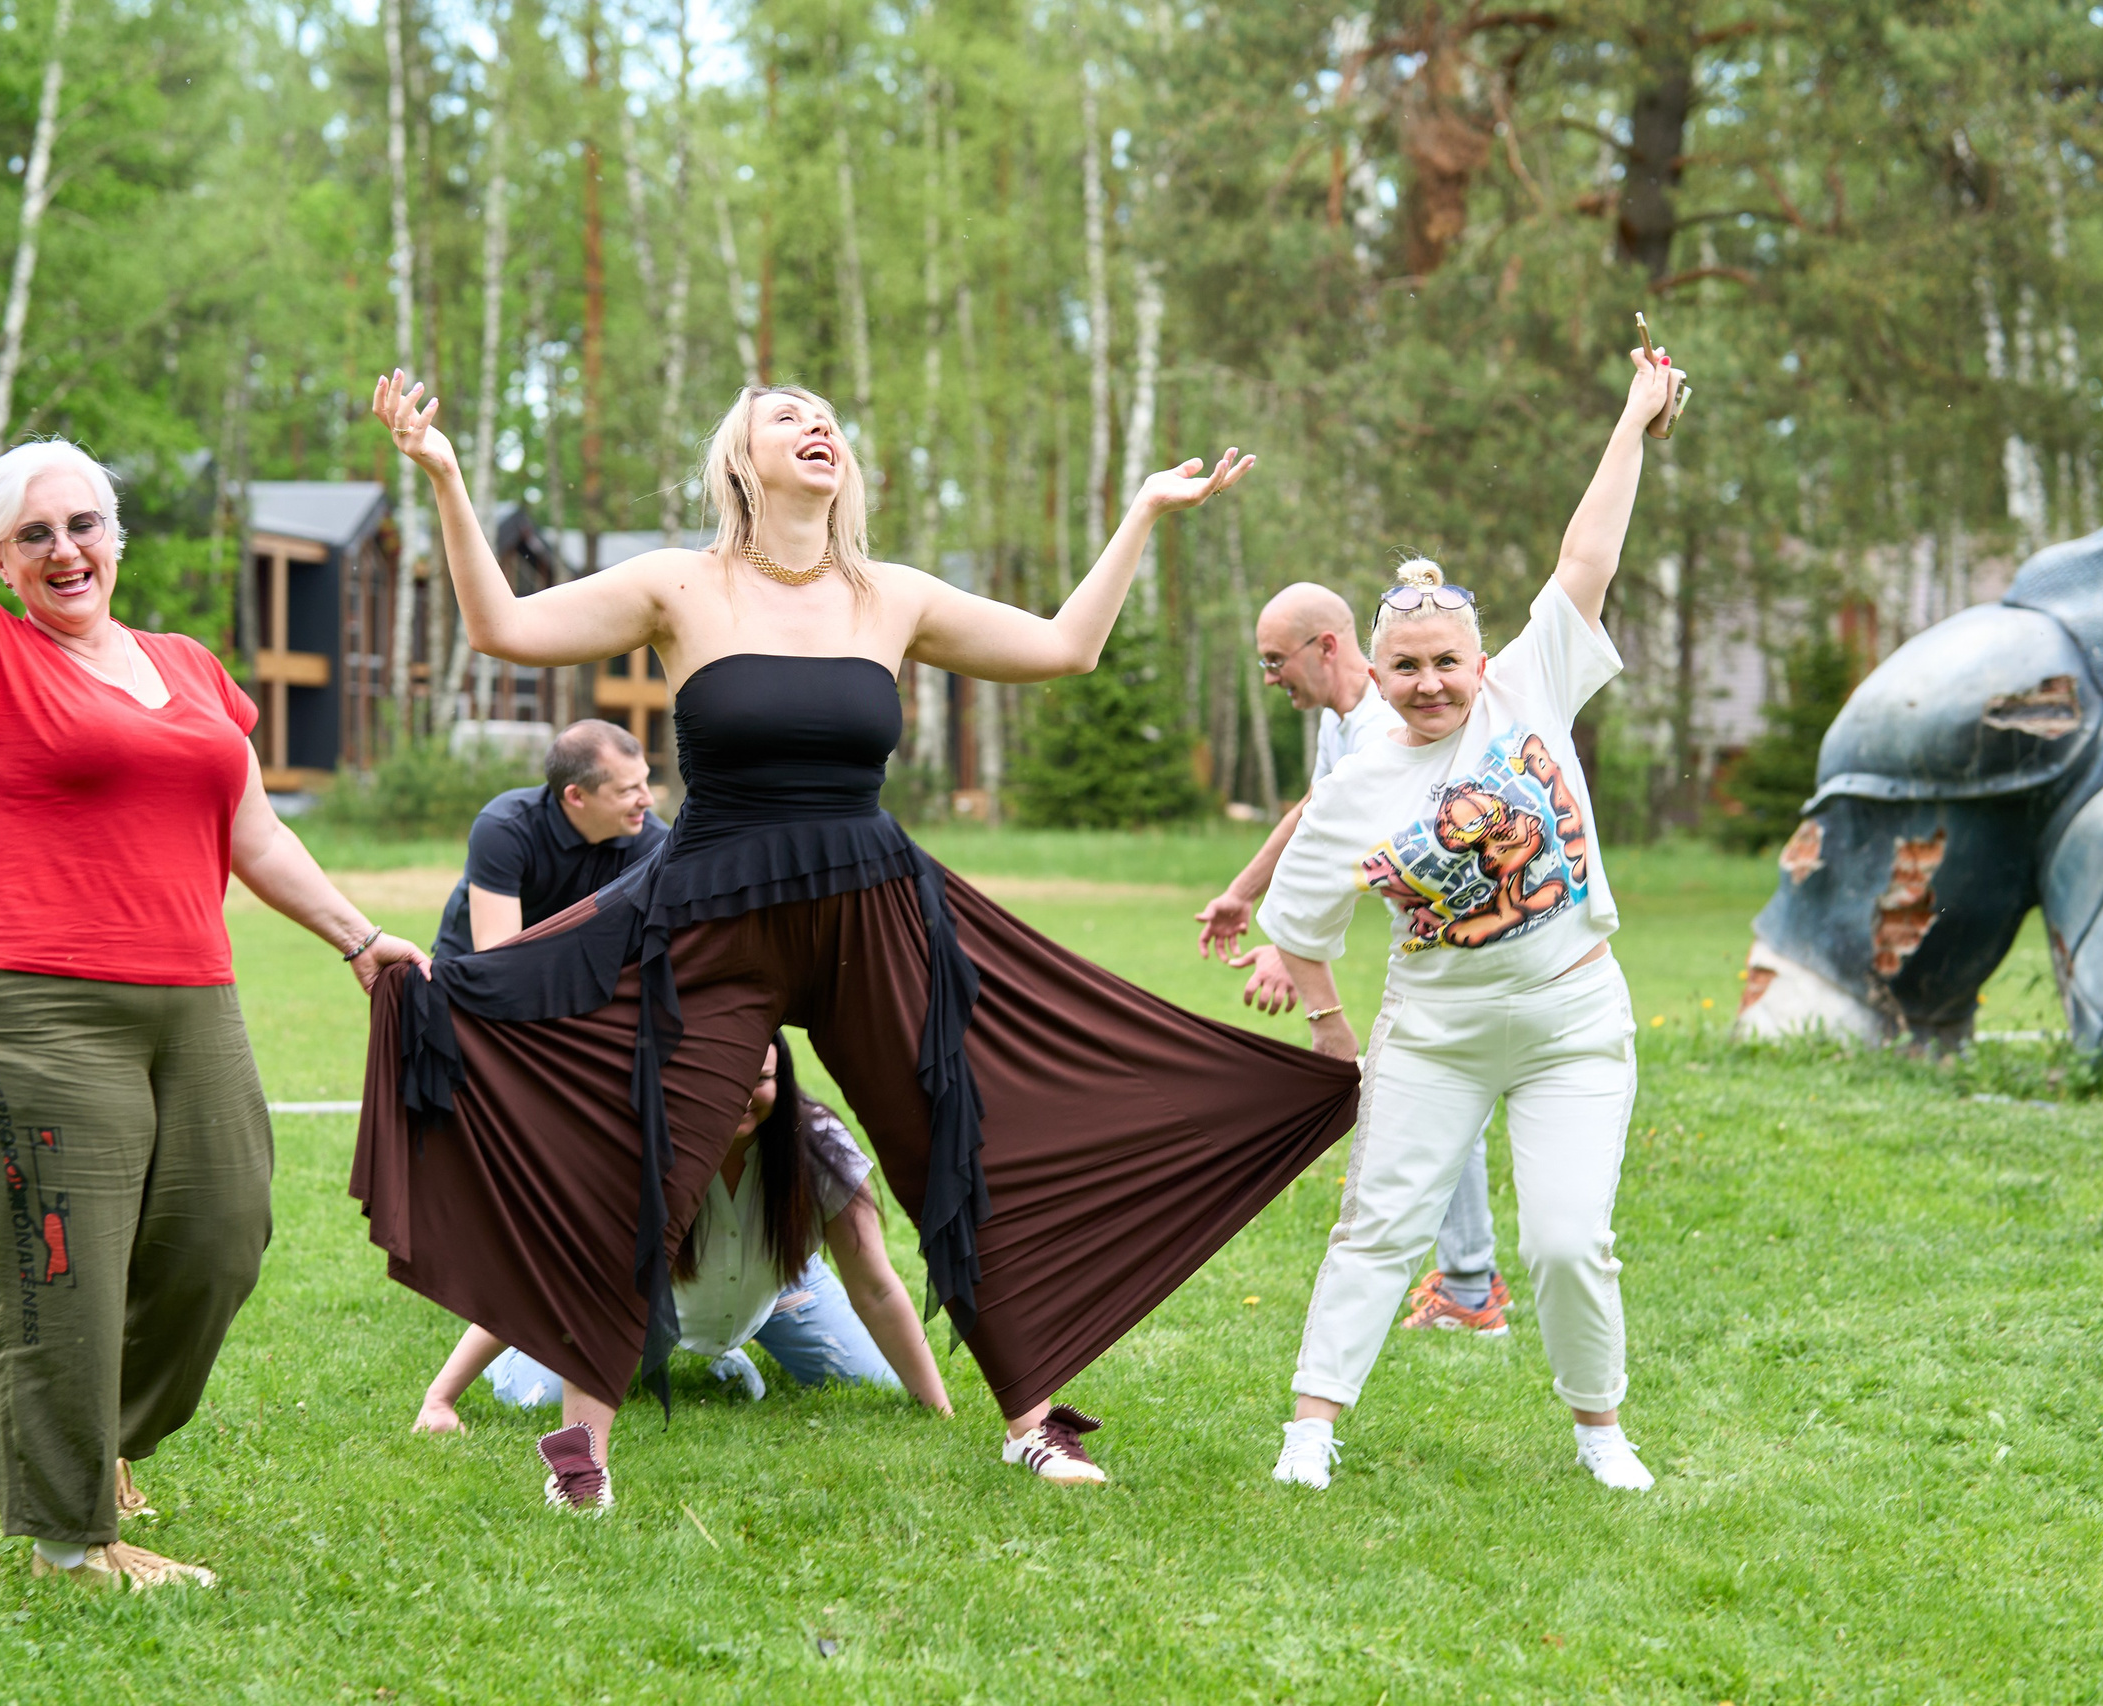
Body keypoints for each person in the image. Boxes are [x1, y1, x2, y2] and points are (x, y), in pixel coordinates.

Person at [350, 372, 1362, 1513]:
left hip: (872, 908)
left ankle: (1031, 1420)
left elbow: (1066, 647)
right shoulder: (677, 584)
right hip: (713, 920)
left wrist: (1136, 512)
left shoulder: (890, 595)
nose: (814, 422)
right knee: (654, 1162)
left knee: (953, 1152)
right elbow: (504, 630)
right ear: (740, 459)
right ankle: (581, 1443)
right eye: (785, 413)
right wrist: (444, 477)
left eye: (825, 413)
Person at [0, 206, 429, 1589]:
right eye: (35, 534)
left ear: (116, 536)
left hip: (190, 997)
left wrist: (361, 938)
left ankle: (91, 1439)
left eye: (86, 522)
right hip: (22, 998)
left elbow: (245, 823)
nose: (66, 548)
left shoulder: (189, 666)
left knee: (220, 1234)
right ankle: (68, 1534)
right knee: (59, 1266)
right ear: (0, 561)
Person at [1258, 341, 1684, 1495]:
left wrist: (1634, 416)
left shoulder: (1528, 684)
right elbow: (1297, 929)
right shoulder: (1352, 788)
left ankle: (1600, 1429)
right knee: (1376, 1228)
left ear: (1479, 656)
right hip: (1435, 1031)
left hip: (1570, 1019)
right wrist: (1330, 1026)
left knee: (1563, 1240)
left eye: (1447, 659)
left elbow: (1585, 551)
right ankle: (1309, 1430)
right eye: (1406, 666)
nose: (1431, 680)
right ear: (1373, 671)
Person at [412, 1040, 951, 1504]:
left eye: (760, 1080)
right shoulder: (639, 1153)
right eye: (727, 1079)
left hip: (780, 1290)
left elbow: (876, 1288)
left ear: (782, 1080)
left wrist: (938, 1407)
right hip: (645, 1306)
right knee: (535, 1396)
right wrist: (441, 1399)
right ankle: (621, 1352)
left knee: (871, 1380)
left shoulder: (819, 1145)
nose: (742, 1095)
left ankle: (720, 1346)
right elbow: (551, 1278)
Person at [1193, 587, 1511, 1336]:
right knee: (1431, 1092)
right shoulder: (1344, 723)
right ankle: (1467, 1282)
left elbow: (1374, 847)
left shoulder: (1387, 724)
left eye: (1276, 660)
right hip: (1430, 942)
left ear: (1328, 648)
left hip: (1472, 944)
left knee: (1436, 1093)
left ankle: (1469, 1287)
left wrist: (1292, 944)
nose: (1271, 676)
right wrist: (1248, 897)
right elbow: (1313, 815)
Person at [431, 719, 667, 961]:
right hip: (469, 976)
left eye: (645, 781)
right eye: (628, 790)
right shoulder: (505, 828)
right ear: (576, 795)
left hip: (570, 980)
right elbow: (495, 959)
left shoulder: (656, 845)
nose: (648, 800)